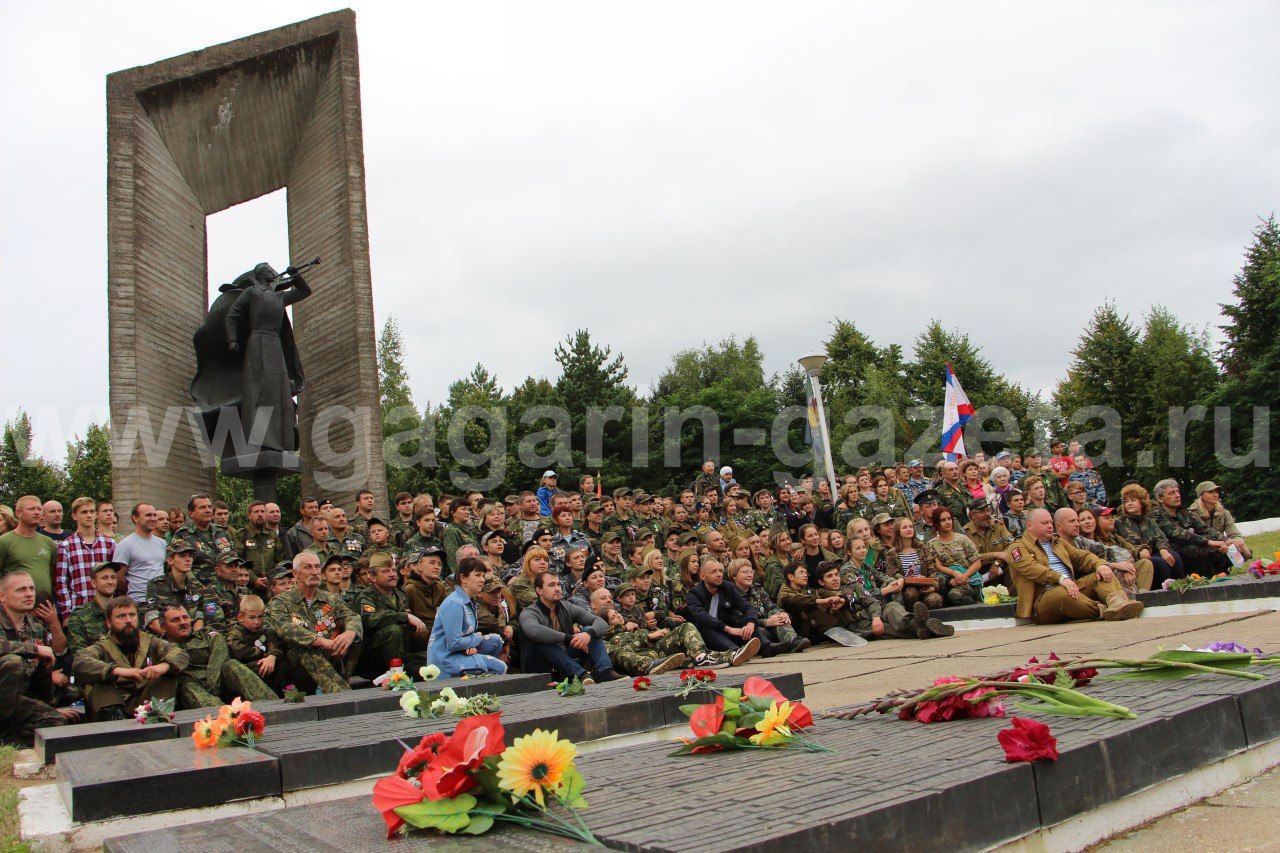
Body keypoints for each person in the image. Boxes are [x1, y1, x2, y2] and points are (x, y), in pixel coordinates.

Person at [1007, 508, 1144, 624]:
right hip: (1042, 600)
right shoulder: (1017, 547)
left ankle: (1117, 602)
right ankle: (1104, 610)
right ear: (1029, 526)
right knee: (1062, 593)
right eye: (1044, 523)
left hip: (1071, 588)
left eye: (1050, 522)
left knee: (1101, 574)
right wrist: (1061, 579)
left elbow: (1082, 556)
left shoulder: (1058, 542)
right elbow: (1033, 569)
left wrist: (1100, 565)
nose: (1050, 526)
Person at [73, 596, 188, 721]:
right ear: (108, 622)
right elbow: (80, 661)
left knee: (168, 671)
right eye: (121, 616)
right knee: (93, 676)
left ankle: (157, 717)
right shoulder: (102, 647)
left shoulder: (150, 642)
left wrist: (163, 666)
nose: (128, 620)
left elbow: (179, 653)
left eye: (132, 615)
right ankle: (115, 720)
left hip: (144, 701)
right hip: (113, 704)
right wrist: (116, 671)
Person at [265, 552, 363, 693]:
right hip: (297, 665)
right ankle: (342, 693)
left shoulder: (330, 599)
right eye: (308, 567)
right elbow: (285, 628)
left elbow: (352, 616)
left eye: (317, 567)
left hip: (332, 655)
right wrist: (321, 641)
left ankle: (341, 683)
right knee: (307, 647)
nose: (314, 572)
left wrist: (349, 633)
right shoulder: (281, 601)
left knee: (353, 638)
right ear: (295, 573)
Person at [0, 572, 75, 745]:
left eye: (31, 588)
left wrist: (46, 709)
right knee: (13, 662)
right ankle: (4, 737)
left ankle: (14, 737)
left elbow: (37, 685)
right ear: (2, 596)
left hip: (14, 701)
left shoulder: (36, 627)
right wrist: (34, 649)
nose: (29, 593)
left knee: (55, 722)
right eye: (21, 589)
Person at [159, 604, 276, 708]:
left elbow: (220, 656)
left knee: (231, 665)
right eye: (175, 620)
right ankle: (226, 721)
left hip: (219, 683)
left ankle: (272, 706)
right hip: (193, 692)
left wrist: (212, 687)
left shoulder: (206, 634)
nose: (183, 622)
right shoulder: (159, 647)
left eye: (185, 617)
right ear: (163, 627)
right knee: (188, 687)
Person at [517, 572, 621, 682]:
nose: (557, 589)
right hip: (540, 669)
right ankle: (581, 674)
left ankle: (605, 671)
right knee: (543, 640)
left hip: (565, 663)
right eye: (551, 585)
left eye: (558, 584)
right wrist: (570, 638)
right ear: (539, 590)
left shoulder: (566, 607)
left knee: (588, 631)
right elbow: (534, 631)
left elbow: (600, 622)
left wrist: (587, 635)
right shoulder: (529, 612)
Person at [427, 558, 508, 677]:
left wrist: (471, 645)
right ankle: (484, 690)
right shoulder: (454, 603)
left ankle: (481, 679)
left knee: (495, 640)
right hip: (445, 659)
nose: (482, 580)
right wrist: (476, 637)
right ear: (463, 578)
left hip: (460, 650)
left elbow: (464, 636)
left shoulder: (469, 601)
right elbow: (454, 643)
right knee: (500, 667)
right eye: (477, 575)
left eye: (483, 575)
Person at [355, 552, 428, 678]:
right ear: (372, 577)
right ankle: (396, 677)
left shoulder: (401, 595)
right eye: (386, 571)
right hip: (372, 659)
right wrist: (405, 617)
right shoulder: (365, 597)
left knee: (430, 659)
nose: (392, 574)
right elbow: (369, 620)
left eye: (393, 570)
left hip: (400, 654)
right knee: (393, 630)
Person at [684, 560, 765, 662]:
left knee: (746, 621)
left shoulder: (727, 587)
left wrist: (750, 625)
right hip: (706, 637)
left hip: (726, 633)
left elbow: (748, 608)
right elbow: (703, 617)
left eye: (721, 571)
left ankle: (767, 647)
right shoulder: (694, 593)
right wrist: (729, 629)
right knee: (708, 629)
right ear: (703, 576)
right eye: (714, 572)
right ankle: (736, 653)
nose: (719, 575)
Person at [1151, 479, 1232, 575]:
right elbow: (1181, 534)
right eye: (1171, 493)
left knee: (1220, 549)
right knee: (1193, 549)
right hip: (1172, 552)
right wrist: (1209, 542)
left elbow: (1204, 529)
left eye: (1177, 491)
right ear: (1160, 499)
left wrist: (1225, 540)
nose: (1177, 495)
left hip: (1192, 547)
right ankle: (1211, 577)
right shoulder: (1156, 516)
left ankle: (1222, 574)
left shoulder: (1185, 513)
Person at [55, 496, 116, 619]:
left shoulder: (110, 544)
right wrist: (66, 614)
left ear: (96, 514)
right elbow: (61, 582)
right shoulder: (66, 546)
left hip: (106, 609)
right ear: (74, 516)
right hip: (78, 610)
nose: (89, 515)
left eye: (92, 511)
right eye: (84, 512)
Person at [145, 541, 218, 634]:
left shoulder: (196, 587)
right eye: (182, 556)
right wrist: (172, 637)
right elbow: (151, 617)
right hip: (165, 637)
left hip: (191, 637)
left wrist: (193, 639)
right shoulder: (157, 584)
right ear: (170, 560)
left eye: (190, 556)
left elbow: (199, 617)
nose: (188, 559)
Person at [923, 506, 983, 607]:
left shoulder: (963, 539)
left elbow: (977, 563)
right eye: (943, 520)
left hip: (968, 579)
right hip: (948, 579)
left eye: (949, 519)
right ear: (937, 523)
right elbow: (938, 566)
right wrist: (954, 573)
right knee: (940, 580)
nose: (947, 522)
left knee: (954, 595)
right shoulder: (931, 544)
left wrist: (961, 577)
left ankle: (976, 601)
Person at [169, 494, 236, 583]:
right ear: (191, 513)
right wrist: (198, 587)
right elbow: (180, 566)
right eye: (202, 508)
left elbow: (234, 558)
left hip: (226, 588)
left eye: (209, 507)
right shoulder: (183, 534)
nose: (208, 510)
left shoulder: (222, 531)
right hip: (200, 590)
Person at [0, 496, 58, 597]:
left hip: (44, 606)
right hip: (14, 606)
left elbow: (52, 573)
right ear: (18, 513)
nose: (37, 512)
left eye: (39, 509)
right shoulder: (4, 541)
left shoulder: (48, 542)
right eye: (31, 509)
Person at [113, 503, 168, 605]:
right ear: (135, 518)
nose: (153, 518)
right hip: (139, 602)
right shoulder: (126, 544)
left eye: (154, 515)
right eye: (148, 515)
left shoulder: (162, 543)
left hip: (162, 600)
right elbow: (119, 577)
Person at [226, 595, 285, 688]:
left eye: (260, 617)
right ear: (241, 617)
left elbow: (276, 645)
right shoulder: (235, 633)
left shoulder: (266, 631)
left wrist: (272, 657)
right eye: (252, 617)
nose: (257, 622)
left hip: (266, 666)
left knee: (283, 663)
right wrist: (263, 654)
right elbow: (239, 653)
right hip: (244, 670)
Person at [67, 560, 124, 652]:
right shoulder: (79, 616)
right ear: (93, 583)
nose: (110, 582)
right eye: (104, 578)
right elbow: (79, 655)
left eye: (113, 577)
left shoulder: (125, 612)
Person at [1189, 482, 1251, 561]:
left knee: (1246, 553)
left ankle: (1224, 567)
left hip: (1224, 543)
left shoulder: (1224, 512)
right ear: (1201, 495)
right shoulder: (1193, 513)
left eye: (1216, 492)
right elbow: (1196, 537)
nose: (1215, 495)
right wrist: (1221, 543)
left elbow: (1234, 534)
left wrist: (1239, 543)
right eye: (1211, 492)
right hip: (1203, 545)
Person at [962, 499, 1014, 588]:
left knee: (1014, 563)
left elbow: (1011, 545)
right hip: (978, 571)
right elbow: (969, 558)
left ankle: (1013, 597)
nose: (987, 514)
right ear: (973, 515)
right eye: (982, 511)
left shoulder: (998, 525)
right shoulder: (965, 533)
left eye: (987, 510)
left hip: (999, 567)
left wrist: (997, 562)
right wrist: (994, 554)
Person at [238, 500, 282, 592]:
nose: (260, 514)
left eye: (262, 511)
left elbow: (280, 559)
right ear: (249, 516)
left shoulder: (272, 535)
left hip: (270, 585)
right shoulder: (241, 535)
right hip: (248, 586)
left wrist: (273, 577)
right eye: (256, 512)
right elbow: (238, 561)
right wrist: (254, 579)